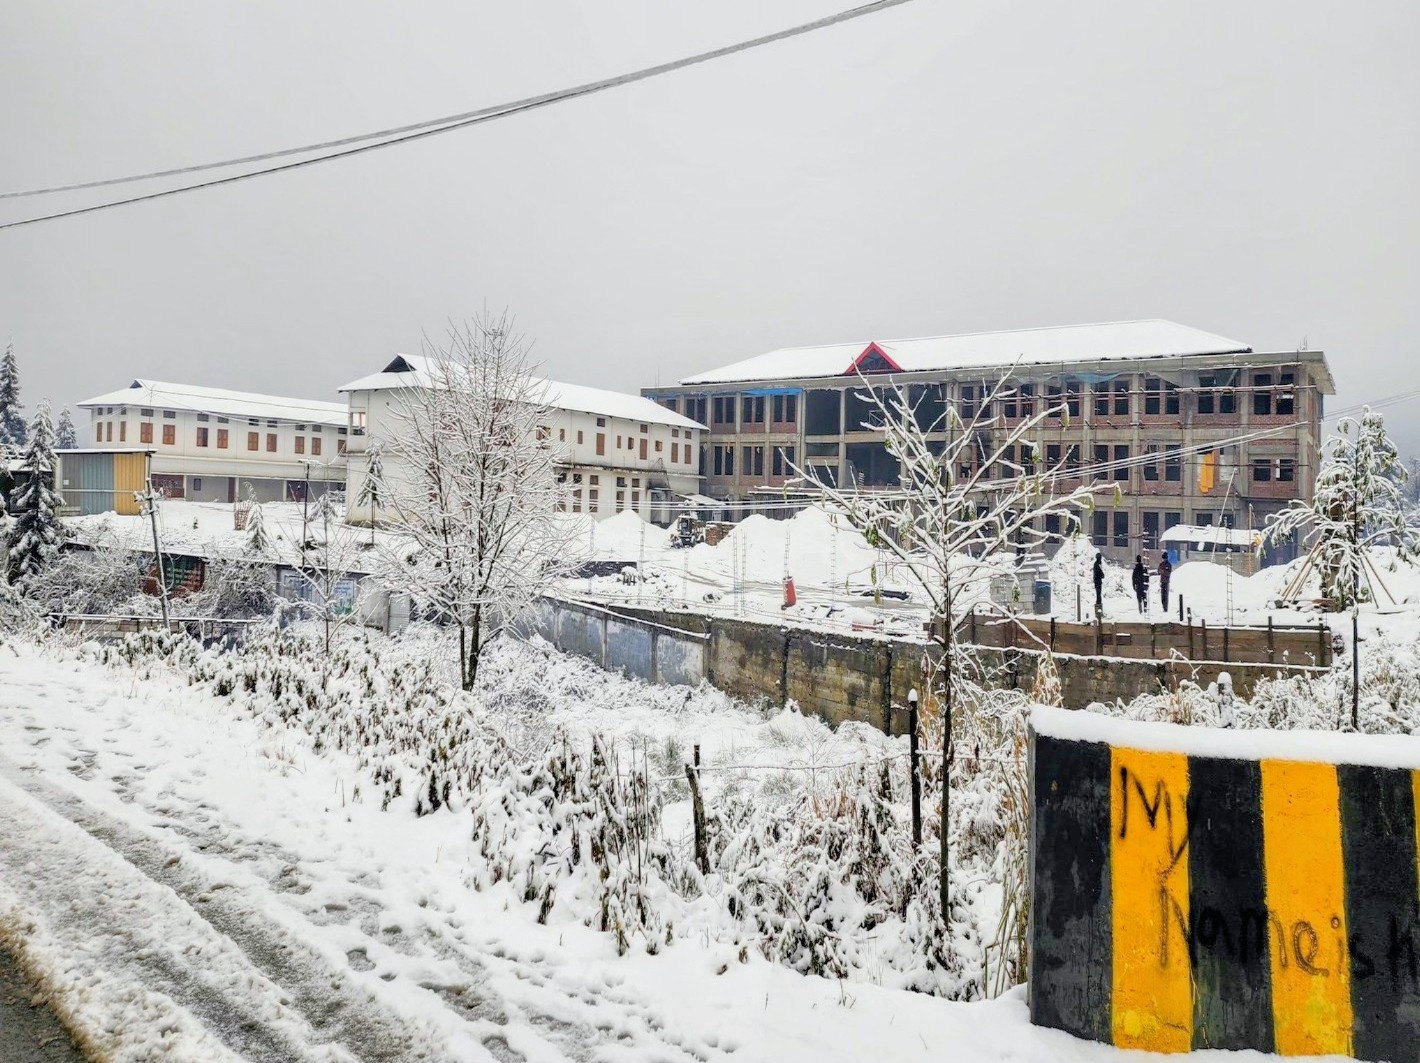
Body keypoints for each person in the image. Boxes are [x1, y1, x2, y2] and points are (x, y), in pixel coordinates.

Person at [1092, 552, 1105, 618]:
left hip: (1097, 581)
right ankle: (1098, 611)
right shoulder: (1097, 565)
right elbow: (1101, 574)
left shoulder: (1097, 564)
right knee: (1098, 595)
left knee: (1099, 595)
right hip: (1098, 582)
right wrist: (1102, 575)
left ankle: (1099, 610)